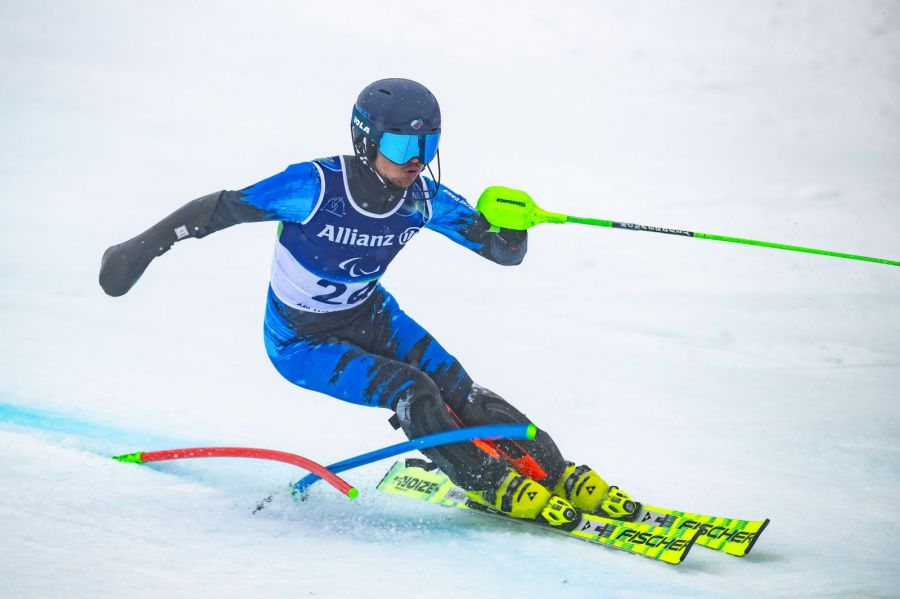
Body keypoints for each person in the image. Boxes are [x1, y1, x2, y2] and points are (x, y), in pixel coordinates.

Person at [99, 78, 637, 525]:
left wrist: (516, 226)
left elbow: (498, 251)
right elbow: (220, 209)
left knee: (457, 385)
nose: (417, 163)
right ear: (366, 140)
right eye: (404, 147)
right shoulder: (314, 186)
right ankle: (490, 483)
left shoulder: (423, 198)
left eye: (428, 147)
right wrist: (137, 252)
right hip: (302, 342)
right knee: (415, 390)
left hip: (372, 315)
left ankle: (556, 471)